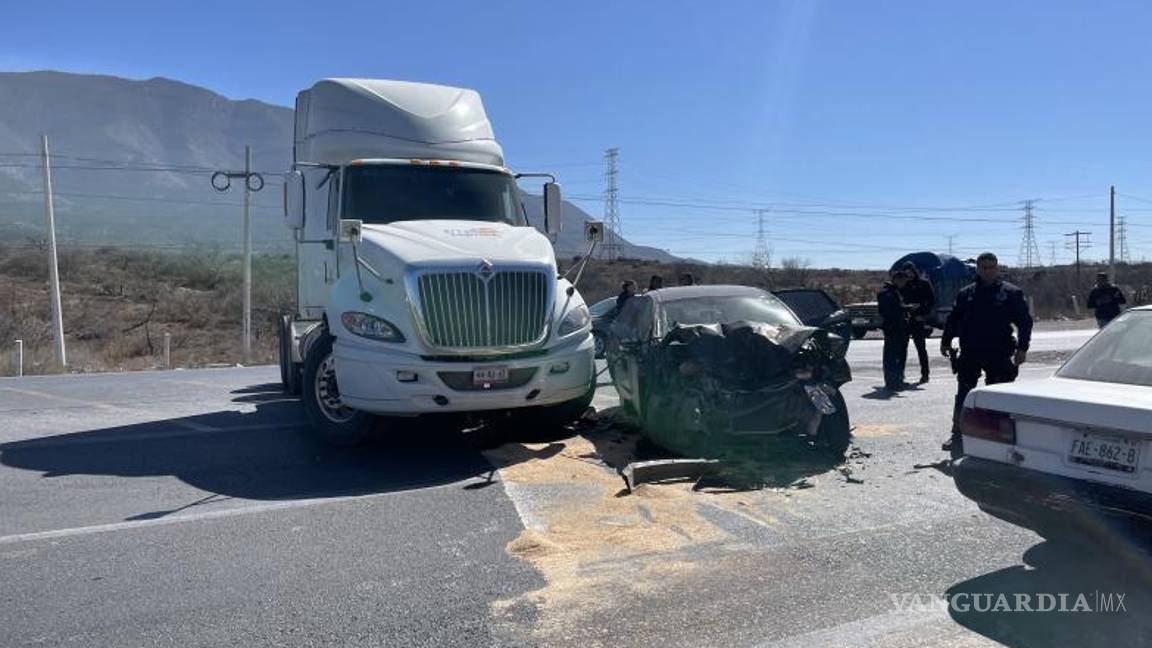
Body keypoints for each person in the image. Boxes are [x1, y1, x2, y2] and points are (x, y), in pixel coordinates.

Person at [940, 252, 1033, 456]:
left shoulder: (1010, 293)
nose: (988, 271)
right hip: (970, 351)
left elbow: (1025, 322)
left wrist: (1022, 348)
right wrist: (946, 341)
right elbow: (953, 319)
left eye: (992, 267)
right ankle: (958, 434)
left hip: (999, 353)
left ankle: (998, 437)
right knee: (964, 395)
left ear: (997, 268)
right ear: (978, 269)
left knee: (998, 397)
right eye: (984, 267)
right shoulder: (966, 293)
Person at [899, 262, 936, 383]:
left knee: (921, 348)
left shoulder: (923, 283)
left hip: (918, 319)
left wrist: (922, 314)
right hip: (905, 320)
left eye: (910, 271)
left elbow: (931, 301)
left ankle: (925, 374)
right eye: (906, 272)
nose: (909, 274)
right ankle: (900, 375)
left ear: (915, 271)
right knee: (902, 349)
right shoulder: (901, 285)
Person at [878, 270, 912, 391]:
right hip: (893, 328)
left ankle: (897, 380)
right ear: (897, 279)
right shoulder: (886, 293)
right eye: (903, 281)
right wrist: (904, 309)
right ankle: (892, 382)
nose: (904, 284)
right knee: (892, 356)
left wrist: (905, 308)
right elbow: (889, 311)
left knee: (898, 355)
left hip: (899, 327)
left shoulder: (894, 292)